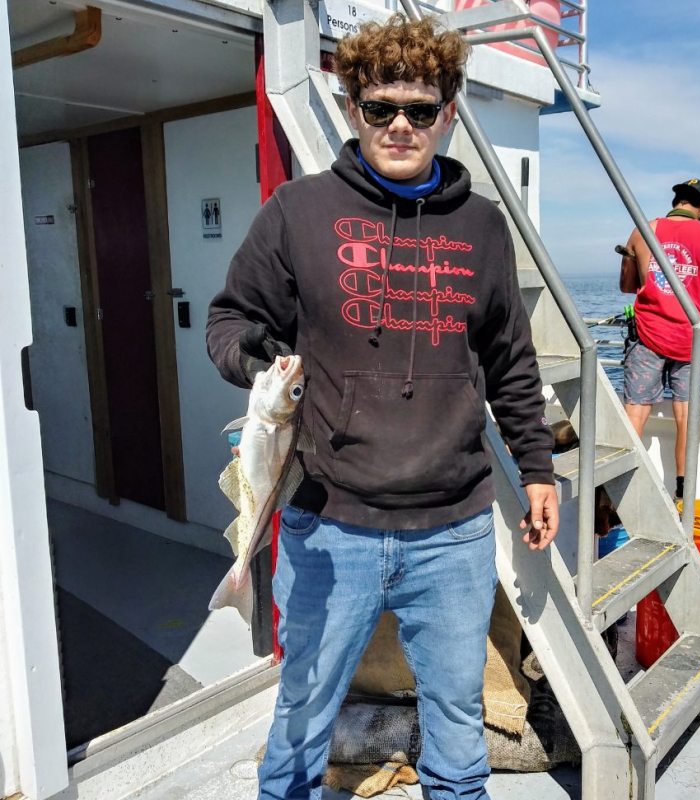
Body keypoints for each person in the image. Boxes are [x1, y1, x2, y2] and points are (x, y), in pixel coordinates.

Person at [207, 14, 558, 800]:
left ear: (449, 113)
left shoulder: (484, 227)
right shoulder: (298, 212)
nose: (401, 124)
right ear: (353, 108)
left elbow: (511, 360)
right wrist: (261, 364)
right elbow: (230, 319)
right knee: (302, 714)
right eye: (381, 108)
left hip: (454, 530)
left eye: (421, 109)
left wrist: (537, 469)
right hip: (329, 526)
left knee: (458, 724)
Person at [619, 178, 700, 499]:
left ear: (676, 201)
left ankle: (615, 487)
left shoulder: (643, 230)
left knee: (636, 411)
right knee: (686, 418)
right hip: (692, 340)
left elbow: (627, 285)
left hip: (647, 335)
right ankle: (682, 490)